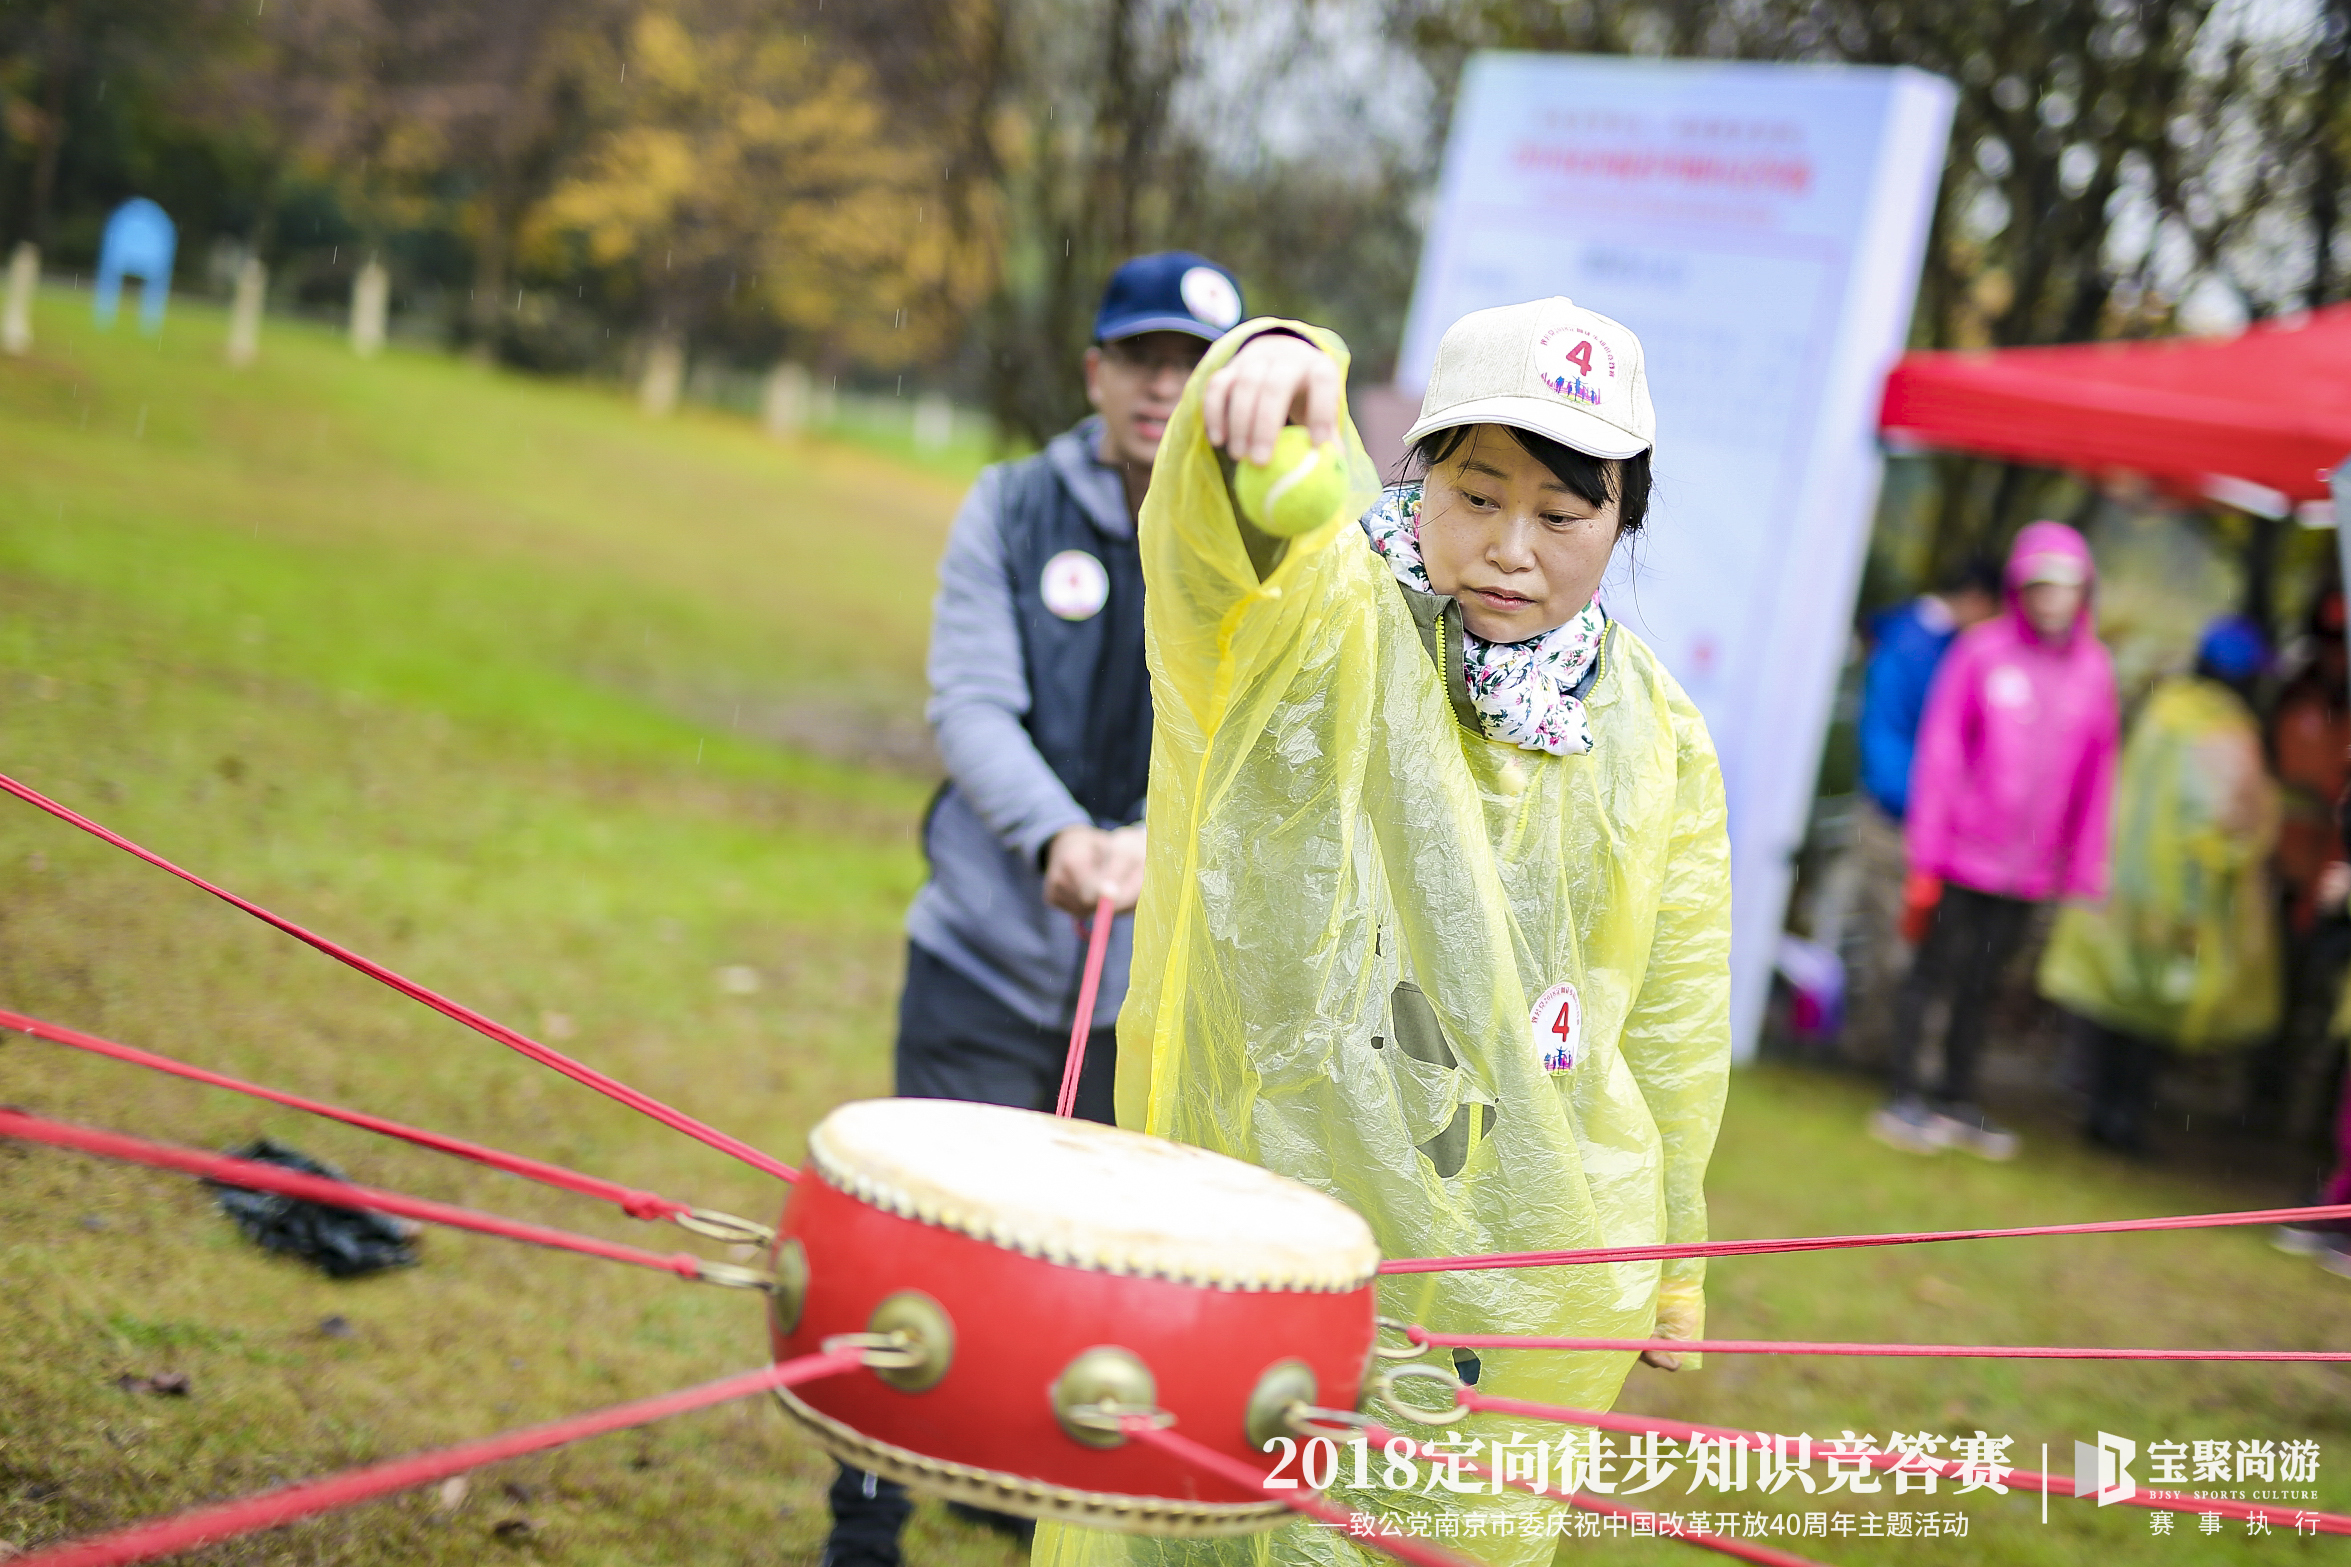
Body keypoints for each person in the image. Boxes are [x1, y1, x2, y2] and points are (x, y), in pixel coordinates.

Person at [1035, 297, 1731, 1567]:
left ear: (1622, 520)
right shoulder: (1321, 623)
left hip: (1507, 1261)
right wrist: (1272, 368)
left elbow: (1673, 1020)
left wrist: (1670, 1253)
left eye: (1562, 516)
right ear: (1416, 479)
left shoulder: (1657, 734)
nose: (1509, 550)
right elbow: (1221, 553)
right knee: (1205, 1521)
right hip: (1263, 1207)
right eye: (1474, 496)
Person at [821, 252, 1245, 1567]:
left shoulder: (1264, 546)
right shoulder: (1008, 507)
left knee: (1094, 1266)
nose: (1163, 388)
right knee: (918, 1246)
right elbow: (969, 703)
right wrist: (1060, 834)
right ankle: (864, 1520)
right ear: (1095, 371)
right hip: (983, 955)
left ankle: (1016, 1490)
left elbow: (1259, 747)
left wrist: (1157, 849)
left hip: (1150, 994)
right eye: (1142, 359)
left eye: (1192, 368)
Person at [1870, 522, 2119, 1160]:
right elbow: (1943, 753)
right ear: (2020, 588)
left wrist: (2083, 867)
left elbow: (2096, 774)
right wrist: (1928, 849)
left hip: (2029, 867)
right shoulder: (1982, 652)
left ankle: (1956, 1097)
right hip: (1961, 856)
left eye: (2064, 586)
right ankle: (1904, 1094)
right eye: (2041, 585)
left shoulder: (2093, 671)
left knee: (1985, 984)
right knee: (1933, 971)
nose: (2052, 599)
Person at [2038, 615, 2282, 1154]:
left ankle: (2100, 1109)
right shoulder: (2225, 729)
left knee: (2118, 1004)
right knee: (2154, 1016)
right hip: (2183, 897)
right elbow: (2229, 819)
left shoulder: (2162, 710)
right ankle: (2124, 1117)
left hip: (2126, 888)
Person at [1824, 559, 2002, 1053]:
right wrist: (1928, 805)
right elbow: (1902, 736)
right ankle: (1875, 1047)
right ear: (1978, 599)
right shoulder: (1919, 646)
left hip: (1909, 811)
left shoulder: (1915, 636)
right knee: (1893, 938)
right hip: (1899, 815)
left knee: (1895, 937)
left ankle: (1879, 1046)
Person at [2250, 586, 2350, 1133]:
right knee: (2276, 992)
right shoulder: (2295, 700)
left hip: (2334, 883)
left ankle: (2318, 1125)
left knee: (2328, 1009)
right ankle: (2262, 1103)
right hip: (2285, 873)